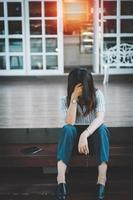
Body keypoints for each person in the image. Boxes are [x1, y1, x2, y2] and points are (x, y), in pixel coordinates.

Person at [56, 68, 110, 200]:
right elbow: (70, 122)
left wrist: (85, 134)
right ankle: (61, 180)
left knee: (102, 128)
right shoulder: (64, 100)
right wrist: (73, 98)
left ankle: (101, 180)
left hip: (92, 139)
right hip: (73, 142)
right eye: (77, 87)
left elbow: (100, 118)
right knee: (67, 129)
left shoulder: (98, 95)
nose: (82, 90)